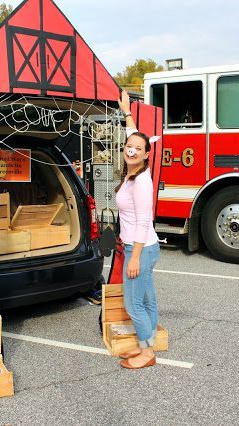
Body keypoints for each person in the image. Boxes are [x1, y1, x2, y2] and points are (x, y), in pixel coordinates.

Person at [115, 90, 160, 369]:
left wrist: (134, 256)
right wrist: (127, 112)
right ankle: (148, 343)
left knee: (134, 305)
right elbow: (135, 136)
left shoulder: (142, 181)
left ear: (145, 155)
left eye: (137, 148)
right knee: (147, 298)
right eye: (128, 145)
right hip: (146, 248)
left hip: (140, 248)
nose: (131, 149)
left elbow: (145, 221)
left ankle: (147, 352)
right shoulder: (134, 171)